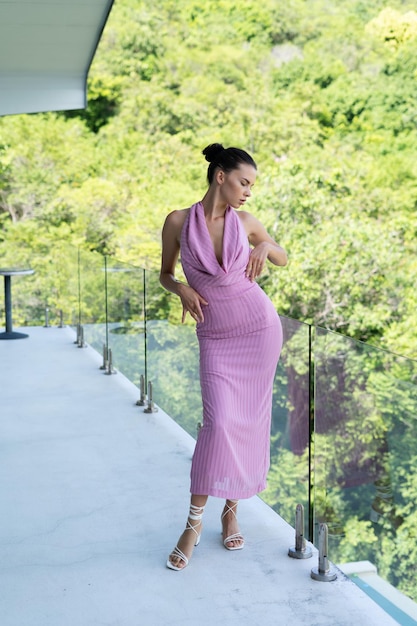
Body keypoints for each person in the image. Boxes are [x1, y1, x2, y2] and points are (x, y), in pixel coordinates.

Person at [160, 143, 287, 570]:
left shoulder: (247, 221)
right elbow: (165, 273)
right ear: (220, 176)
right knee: (219, 423)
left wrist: (265, 248)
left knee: (249, 421)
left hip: (258, 329)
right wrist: (182, 288)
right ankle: (193, 524)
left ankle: (231, 510)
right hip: (215, 335)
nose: (248, 192)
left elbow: (282, 256)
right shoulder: (178, 222)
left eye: (251, 185)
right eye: (243, 182)